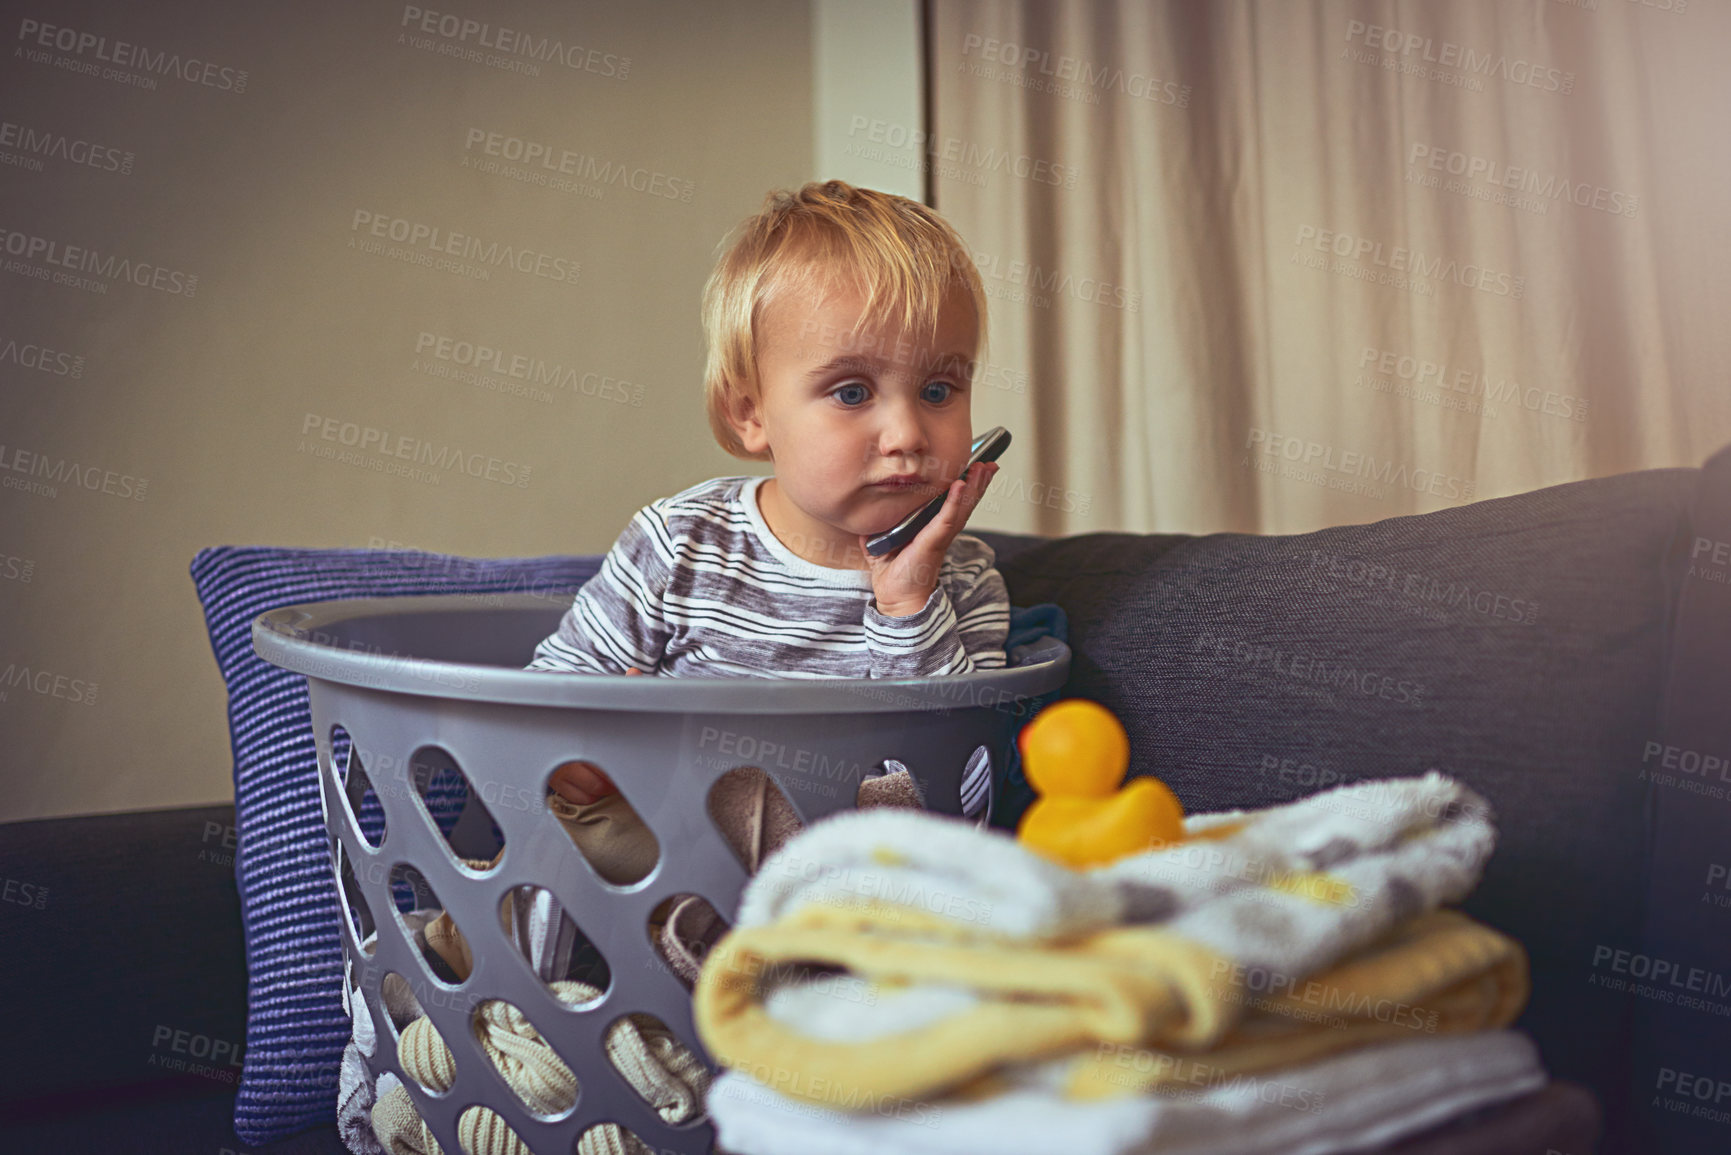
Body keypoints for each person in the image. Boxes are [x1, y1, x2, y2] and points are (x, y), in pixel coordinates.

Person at [531, 180, 1011, 805]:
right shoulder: (683, 543)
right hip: (667, 865)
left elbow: (963, 800)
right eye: (852, 392)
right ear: (750, 414)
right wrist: (585, 759)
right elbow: (542, 710)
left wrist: (908, 607)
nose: (907, 434)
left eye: (939, 390)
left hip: (856, 887)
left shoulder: (966, 581)